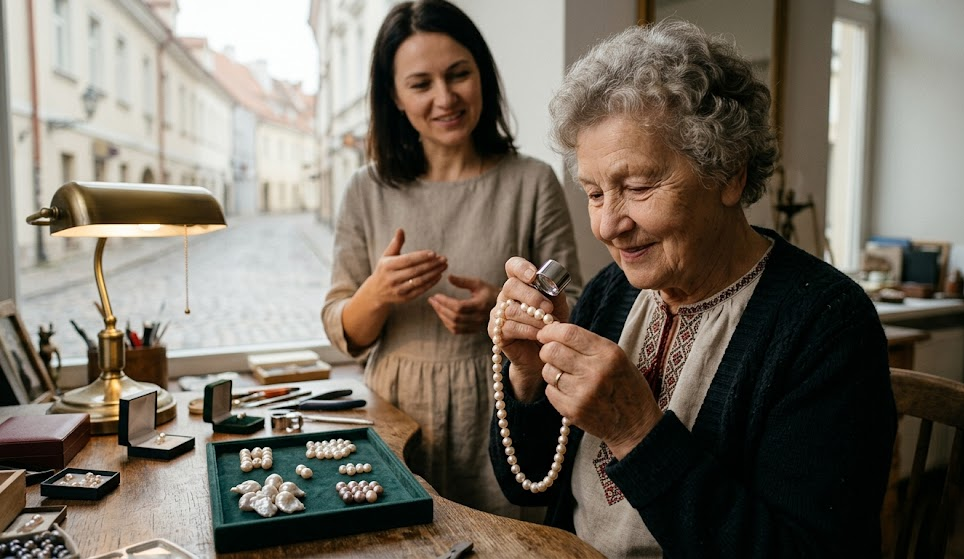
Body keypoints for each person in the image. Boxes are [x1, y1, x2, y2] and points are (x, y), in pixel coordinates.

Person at [489, 20, 896, 557]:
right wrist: (527, 375)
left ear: (728, 172)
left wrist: (637, 432)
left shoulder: (826, 323)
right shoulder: (614, 291)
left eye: (637, 188)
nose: (609, 225)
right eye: (593, 193)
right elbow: (525, 484)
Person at [321, 0, 581, 517]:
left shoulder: (531, 182)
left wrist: (503, 313)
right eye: (421, 84)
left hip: (501, 412)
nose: (445, 98)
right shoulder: (365, 189)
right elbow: (342, 329)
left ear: (482, 75)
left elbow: (576, 309)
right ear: (394, 96)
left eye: (459, 74)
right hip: (392, 410)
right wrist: (377, 293)